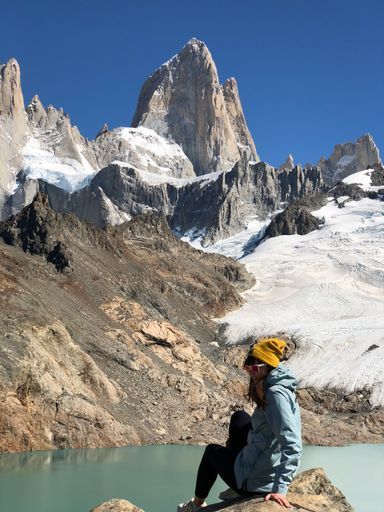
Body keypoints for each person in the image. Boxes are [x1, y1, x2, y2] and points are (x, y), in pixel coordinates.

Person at [177, 338, 302, 511]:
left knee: (212, 451)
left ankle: (196, 504)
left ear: (268, 366)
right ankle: (235, 465)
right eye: (248, 366)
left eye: (255, 368)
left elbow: (292, 443)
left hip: (257, 483)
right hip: (263, 460)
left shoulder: (275, 394)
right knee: (239, 418)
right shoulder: (278, 381)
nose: (251, 371)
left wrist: (280, 489)